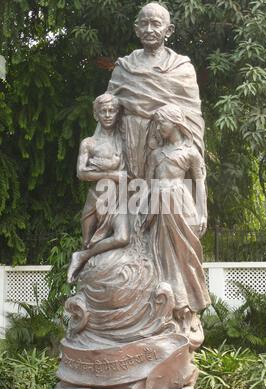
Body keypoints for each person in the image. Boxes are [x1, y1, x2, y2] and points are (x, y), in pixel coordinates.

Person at [104, 2, 205, 180]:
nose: (149, 29)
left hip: (167, 153)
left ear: (169, 30)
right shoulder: (124, 68)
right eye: (143, 24)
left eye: (156, 24)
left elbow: (193, 118)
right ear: (136, 29)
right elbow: (107, 112)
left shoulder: (182, 68)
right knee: (131, 202)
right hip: (129, 147)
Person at [138, 104, 211, 324]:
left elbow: (200, 186)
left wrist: (203, 214)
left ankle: (187, 309)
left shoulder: (190, 153)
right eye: (157, 123)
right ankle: (167, 306)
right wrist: (142, 211)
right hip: (159, 209)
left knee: (185, 255)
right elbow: (147, 187)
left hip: (182, 205)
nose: (159, 127)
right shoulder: (155, 154)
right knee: (162, 256)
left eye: (162, 122)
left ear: (175, 123)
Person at [67, 94, 129, 283]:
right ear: (96, 115)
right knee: (88, 242)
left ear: (118, 113)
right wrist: (112, 175)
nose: (108, 115)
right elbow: (81, 173)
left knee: (123, 237)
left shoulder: (125, 139)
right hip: (97, 200)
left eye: (112, 111)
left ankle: (80, 257)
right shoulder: (89, 143)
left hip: (122, 199)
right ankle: (85, 260)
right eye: (103, 111)